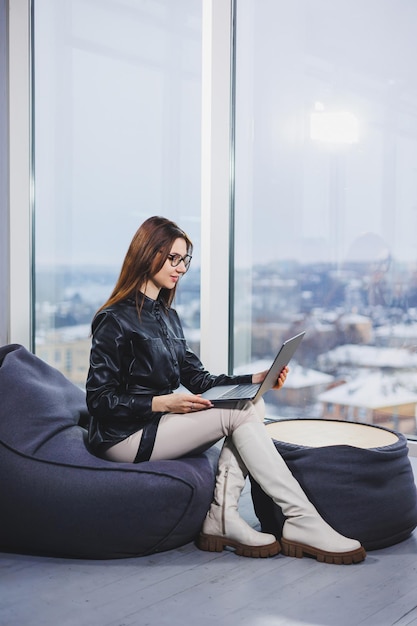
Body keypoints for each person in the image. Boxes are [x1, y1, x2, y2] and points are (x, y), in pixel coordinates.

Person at [86, 216, 366, 564]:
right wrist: (162, 403)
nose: (181, 268)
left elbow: (200, 380)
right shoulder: (113, 319)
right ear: (148, 254)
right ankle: (300, 519)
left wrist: (256, 380)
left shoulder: (168, 317)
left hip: (155, 426)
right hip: (123, 437)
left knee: (253, 404)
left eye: (185, 259)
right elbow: (99, 401)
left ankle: (224, 516)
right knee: (243, 412)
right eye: (173, 258)